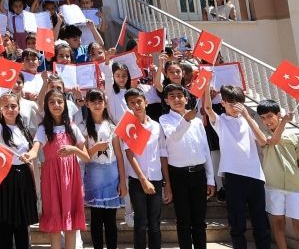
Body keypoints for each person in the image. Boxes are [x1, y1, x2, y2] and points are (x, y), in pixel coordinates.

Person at [203, 84, 271, 249]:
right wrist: (206, 87)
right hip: (233, 177)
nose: (235, 107)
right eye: (231, 103)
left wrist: (247, 116)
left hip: (255, 176)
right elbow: (207, 108)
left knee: (261, 223)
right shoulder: (220, 121)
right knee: (237, 223)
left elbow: (263, 141)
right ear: (223, 103)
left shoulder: (248, 121)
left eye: (239, 103)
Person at [159, 83, 213, 249]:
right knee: (183, 221)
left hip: (198, 174)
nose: (176, 99)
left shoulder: (197, 121)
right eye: (172, 96)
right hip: (178, 175)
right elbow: (174, 137)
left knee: (199, 221)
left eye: (179, 95)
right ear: (166, 101)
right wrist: (186, 120)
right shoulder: (164, 119)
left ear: (186, 99)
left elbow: (205, 149)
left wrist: (210, 178)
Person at [35, 85, 89, 249]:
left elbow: (86, 156)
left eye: (59, 101)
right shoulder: (43, 128)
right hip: (51, 177)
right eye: (52, 102)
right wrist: (30, 154)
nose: (56, 105)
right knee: (55, 220)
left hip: (71, 177)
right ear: (47, 106)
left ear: (65, 104)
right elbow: (36, 147)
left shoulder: (72, 127)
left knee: (70, 220)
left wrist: (73, 149)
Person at [256, 100, 299, 249]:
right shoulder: (262, 135)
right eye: (263, 118)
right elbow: (273, 141)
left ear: (278, 115)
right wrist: (284, 122)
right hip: (273, 187)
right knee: (278, 224)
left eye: (270, 116)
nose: (267, 121)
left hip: (294, 187)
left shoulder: (293, 137)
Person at [0, 91, 40, 249]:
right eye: (6, 106)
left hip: (23, 175)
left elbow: (31, 152)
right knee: (6, 222)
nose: (10, 109)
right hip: (5, 176)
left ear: (19, 108)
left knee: (22, 222)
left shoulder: (23, 127)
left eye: (13, 106)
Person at [79, 89, 126, 249]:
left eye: (100, 101)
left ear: (105, 104)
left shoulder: (112, 126)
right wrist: (96, 148)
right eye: (93, 102)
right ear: (87, 104)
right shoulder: (84, 127)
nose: (97, 105)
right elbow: (83, 155)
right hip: (94, 175)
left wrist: (122, 181)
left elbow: (119, 155)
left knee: (111, 219)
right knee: (96, 218)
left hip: (111, 175)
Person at [120, 88, 165, 249]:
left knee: (155, 224)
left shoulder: (157, 126)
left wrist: (167, 182)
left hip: (156, 178)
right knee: (140, 223)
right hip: (137, 180)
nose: (136, 105)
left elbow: (162, 153)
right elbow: (130, 154)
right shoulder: (128, 125)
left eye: (139, 101)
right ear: (128, 106)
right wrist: (143, 180)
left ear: (146, 102)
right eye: (132, 103)